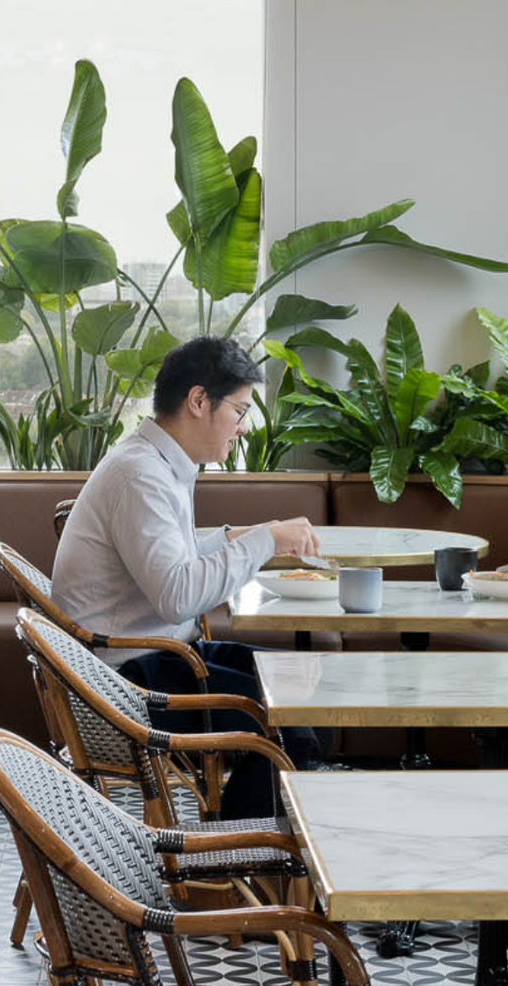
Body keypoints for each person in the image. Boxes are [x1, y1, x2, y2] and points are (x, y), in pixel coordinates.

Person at [52, 335, 325, 820]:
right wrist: (264, 543)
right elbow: (177, 593)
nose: (243, 428)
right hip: (127, 684)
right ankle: (231, 860)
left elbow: (166, 555)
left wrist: (246, 533)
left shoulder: (153, 463)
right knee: (292, 726)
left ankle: (239, 845)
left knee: (307, 684)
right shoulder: (141, 475)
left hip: (157, 658)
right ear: (199, 401)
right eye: (239, 411)